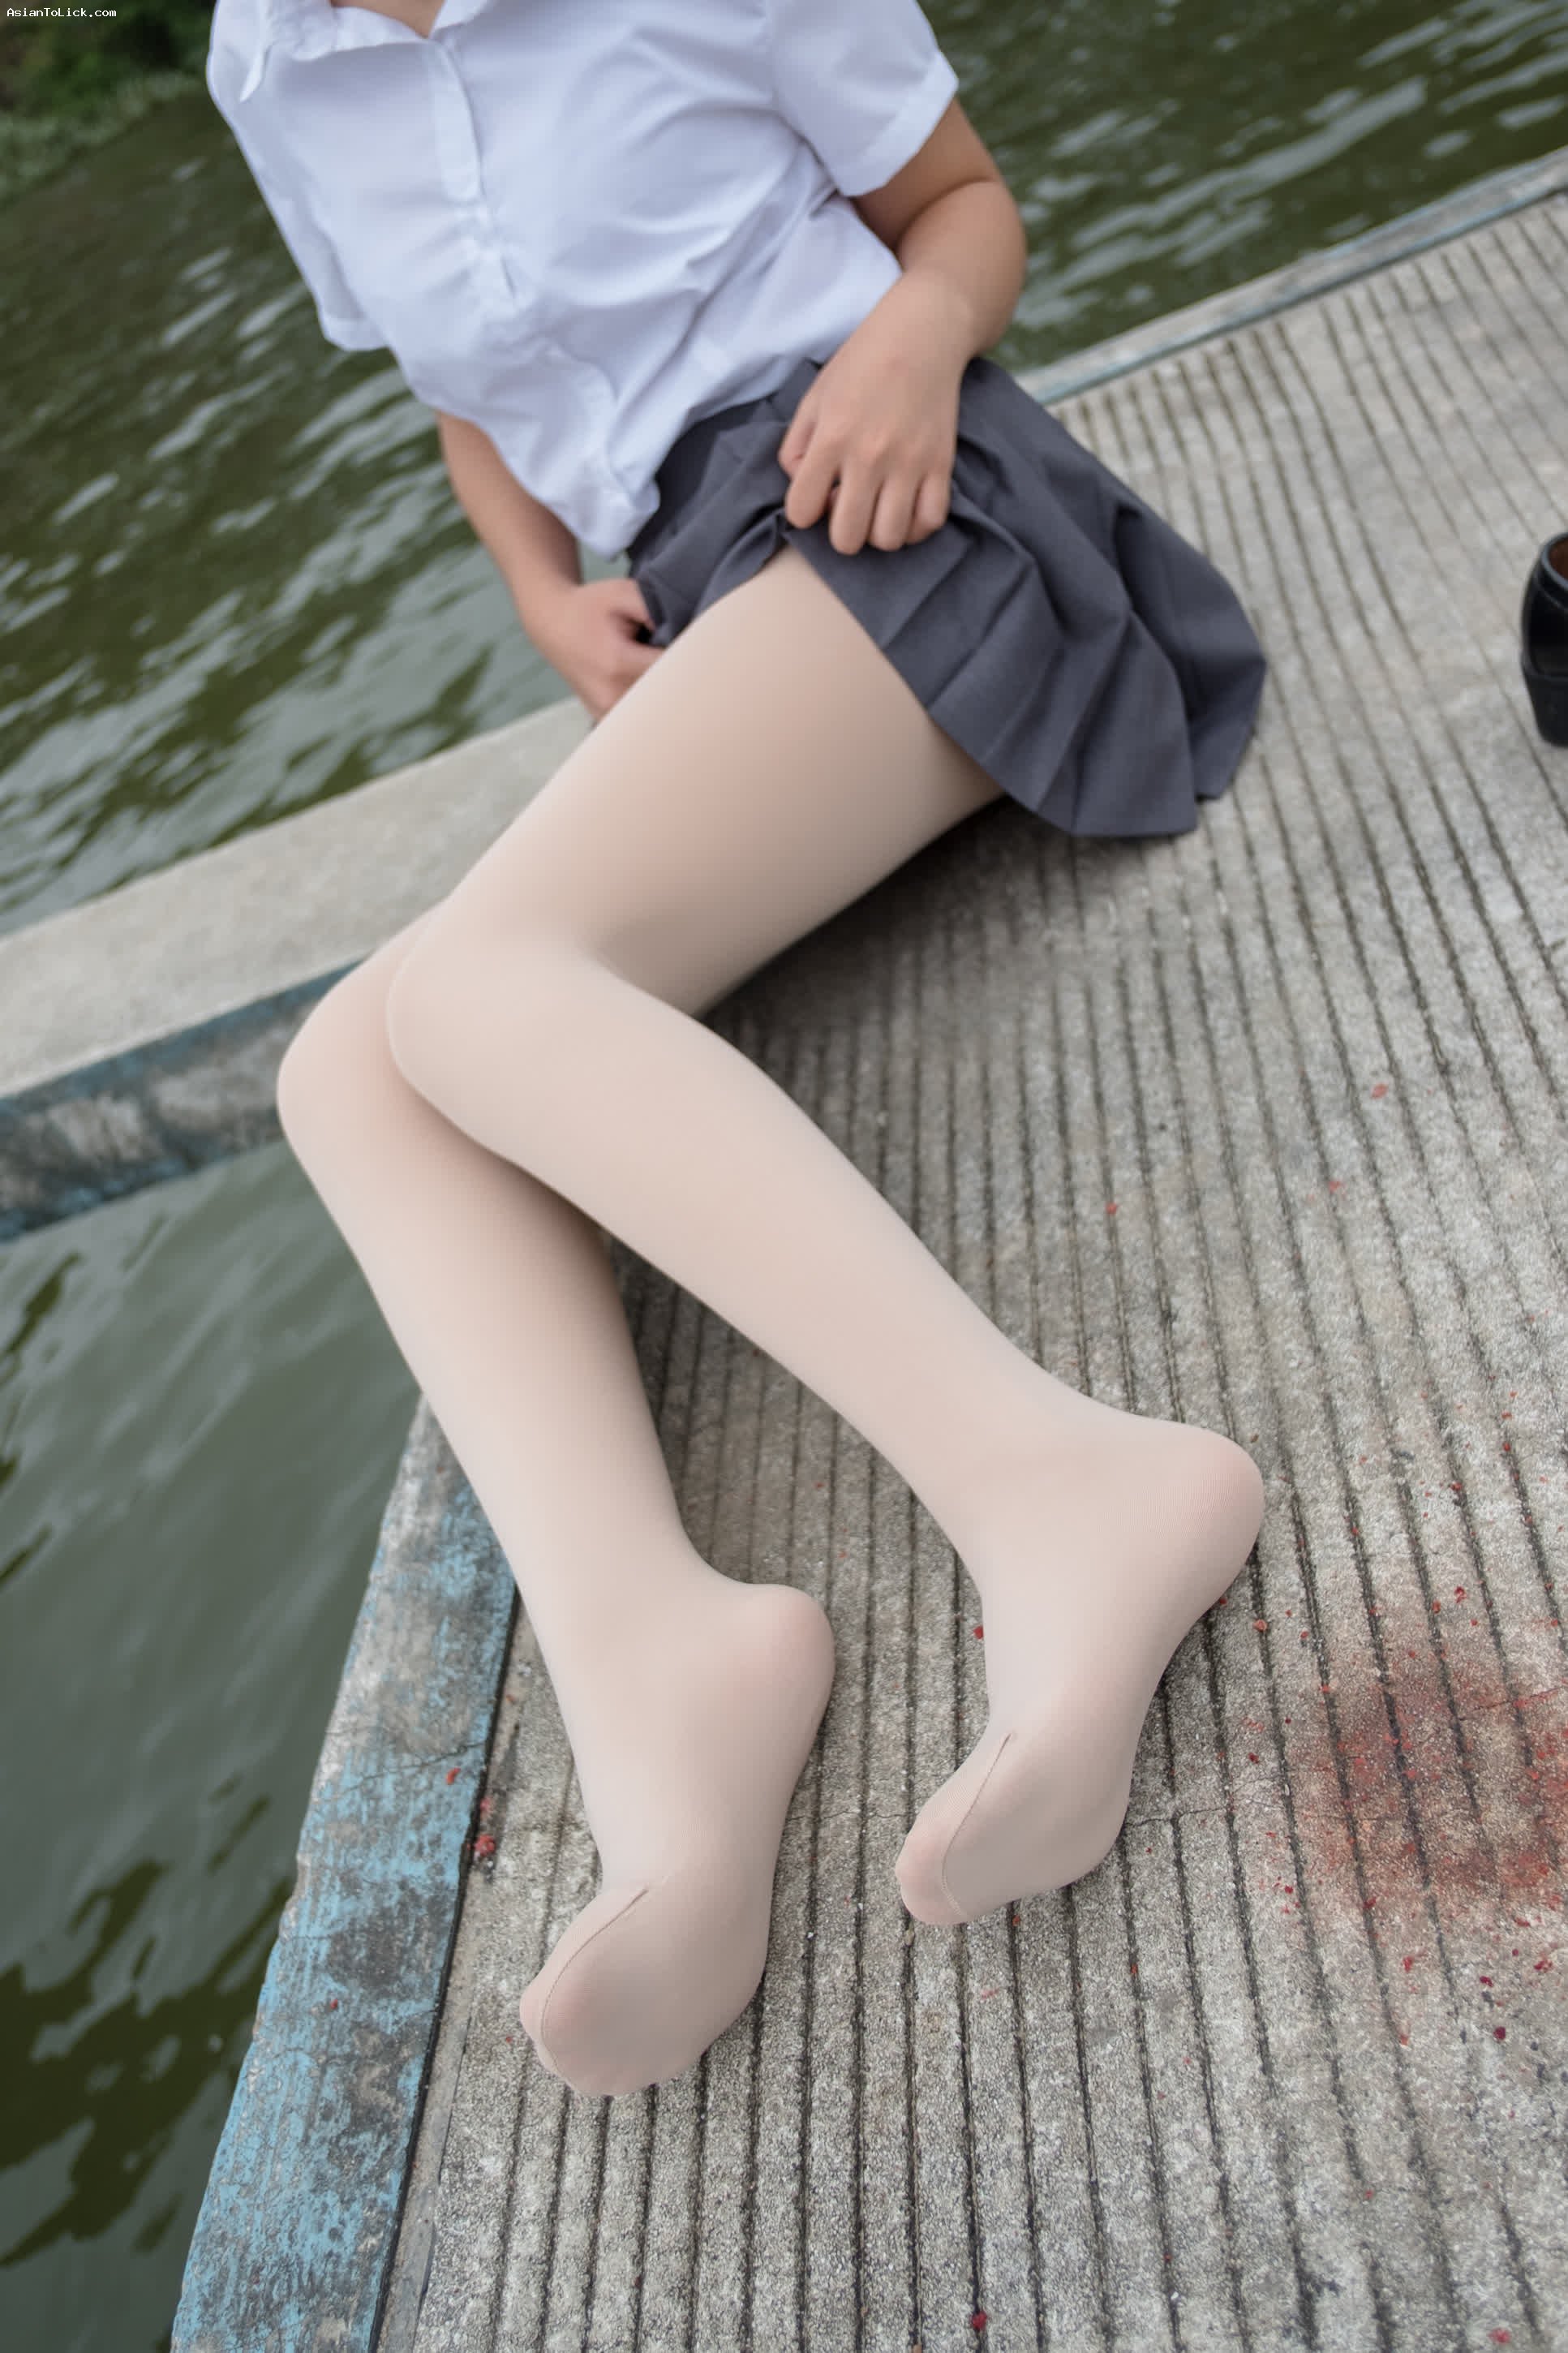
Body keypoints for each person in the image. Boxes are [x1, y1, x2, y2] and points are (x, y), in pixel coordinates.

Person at [207, 0, 1270, 2101]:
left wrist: (914, 338)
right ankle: (664, 1680)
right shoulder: (275, 66)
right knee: (348, 1072)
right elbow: (466, 391)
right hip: (712, 598)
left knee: (473, 989)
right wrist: (540, 589)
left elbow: (962, 206)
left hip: (917, 516)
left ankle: (1070, 1486)